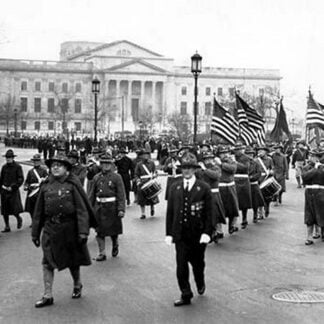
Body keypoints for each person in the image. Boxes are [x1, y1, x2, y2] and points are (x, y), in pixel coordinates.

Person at [31, 153, 95, 308]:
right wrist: (35, 233)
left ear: (67, 168)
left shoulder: (73, 185)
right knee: (47, 262)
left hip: (69, 229)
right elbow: (38, 211)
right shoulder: (46, 186)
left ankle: (77, 284)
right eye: (53, 165)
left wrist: (83, 231)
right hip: (50, 229)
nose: (55, 167)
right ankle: (47, 295)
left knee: (73, 261)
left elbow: (81, 210)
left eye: (59, 165)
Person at [165, 152, 213, 306]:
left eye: (190, 168)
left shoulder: (203, 188)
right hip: (180, 234)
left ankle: (200, 280)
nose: (186, 171)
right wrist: (169, 233)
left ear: (195, 170)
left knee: (198, 264)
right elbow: (170, 212)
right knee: (181, 266)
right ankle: (186, 293)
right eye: (184, 168)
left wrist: (207, 232)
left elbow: (210, 213)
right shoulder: (175, 187)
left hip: (198, 234)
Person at [89, 153, 126, 261]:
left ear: (111, 164)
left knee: (113, 231)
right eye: (103, 163)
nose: (106, 166)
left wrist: (121, 209)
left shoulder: (117, 177)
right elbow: (92, 194)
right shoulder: (96, 178)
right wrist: (89, 209)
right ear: (100, 164)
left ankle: (115, 244)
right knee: (99, 232)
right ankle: (102, 253)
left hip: (112, 208)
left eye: (108, 163)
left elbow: (121, 194)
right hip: (99, 208)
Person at [196, 151, 226, 243]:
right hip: (204, 194)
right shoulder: (200, 170)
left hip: (214, 193)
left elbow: (216, 176)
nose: (208, 161)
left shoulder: (216, 168)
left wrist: (205, 169)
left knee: (216, 213)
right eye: (206, 159)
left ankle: (218, 231)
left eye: (210, 159)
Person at [301, 149, 324, 245]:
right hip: (309, 192)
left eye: (317, 157)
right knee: (309, 214)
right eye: (312, 156)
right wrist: (315, 169)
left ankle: (322, 233)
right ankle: (309, 237)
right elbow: (305, 177)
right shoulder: (306, 167)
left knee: (322, 212)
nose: (314, 158)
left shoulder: (322, 168)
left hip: (321, 192)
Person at [217, 146, 240, 234]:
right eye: (222, 153)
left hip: (230, 186)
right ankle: (219, 230)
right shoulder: (215, 162)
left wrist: (221, 164)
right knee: (219, 209)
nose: (225, 155)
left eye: (226, 152)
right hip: (220, 187)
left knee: (233, 208)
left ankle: (232, 226)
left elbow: (233, 169)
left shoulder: (232, 161)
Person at [0, 149, 24, 232]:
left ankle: (18, 218)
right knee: (4, 210)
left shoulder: (18, 167)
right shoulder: (4, 167)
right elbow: (1, 179)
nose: (8, 159)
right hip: (4, 191)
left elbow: (20, 179)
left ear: (13, 158)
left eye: (9, 157)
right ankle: (7, 226)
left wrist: (14, 187)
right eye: (7, 157)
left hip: (13, 191)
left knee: (14, 209)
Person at [24, 154, 48, 225]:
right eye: (34, 161)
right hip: (31, 191)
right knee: (31, 208)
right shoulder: (30, 171)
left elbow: (47, 181)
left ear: (40, 162)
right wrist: (26, 186)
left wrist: (42, 182)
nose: (36, 162)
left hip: (39, 191)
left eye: (37, 161)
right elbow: (27, 181)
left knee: (39, 208)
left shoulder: (44, 171)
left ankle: (40, 221)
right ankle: (33, 221)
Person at [134, 150, 159, 219]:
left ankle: (152, 208)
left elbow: (155, 171)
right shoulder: (139, 164)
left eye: (147, 155)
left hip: (150, 181)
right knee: (142, 199)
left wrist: (155, 175)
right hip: (142, 182)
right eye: (144, 155)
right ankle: (143, 213)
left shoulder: (152, 163)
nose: (146, 156)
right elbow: (136, 174)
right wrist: (138, 181)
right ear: (141, 156)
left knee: (152, 196)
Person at [233, 143, 252, 229]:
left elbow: (245, 168)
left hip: (244, 180)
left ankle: (244, 218)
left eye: (239, 149)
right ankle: (234, 222)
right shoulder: (233, 157)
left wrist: (235, 163)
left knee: (244, 200)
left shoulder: (245, 158)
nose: (238, 151)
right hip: (235, 180)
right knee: (235, 200)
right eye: (236, 149)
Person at [245, 147, 264, 223]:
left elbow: (258, 173)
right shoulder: (243, 163)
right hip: (245, 184)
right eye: (248, 154)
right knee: (244, 202)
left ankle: (255, 215)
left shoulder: (256, 163)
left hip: (253, 183)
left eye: (251, 154)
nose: (250, 156)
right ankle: (244, 218)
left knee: (255, 201)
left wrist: (252, 177)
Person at [255, 146, 274, 218]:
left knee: (267, 196)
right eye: (259, 151)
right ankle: (260, 213)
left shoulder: (269, 159)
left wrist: (272, 171)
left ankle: (267, 208)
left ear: (265, 152)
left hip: (266, 179)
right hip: (258, 179)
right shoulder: (256, 160)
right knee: (259, 197)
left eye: (261, 151)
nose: (259, 152)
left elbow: (272, 168)